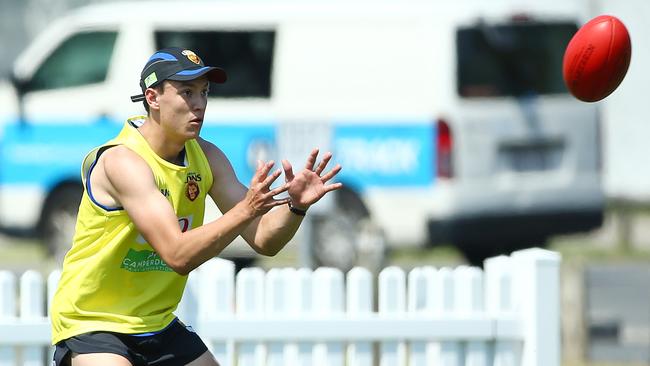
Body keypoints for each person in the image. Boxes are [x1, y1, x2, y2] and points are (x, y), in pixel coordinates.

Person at [49, 47, 342, 366]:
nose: (199, 104)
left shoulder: (207, 157)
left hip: (156, 324)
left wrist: (296, 207)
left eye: (204, 93)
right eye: (187, 92)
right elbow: (177, 254)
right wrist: (247, 209)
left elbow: (265, 239)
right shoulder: (123, 162)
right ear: (153, 97)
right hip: (94, 323)